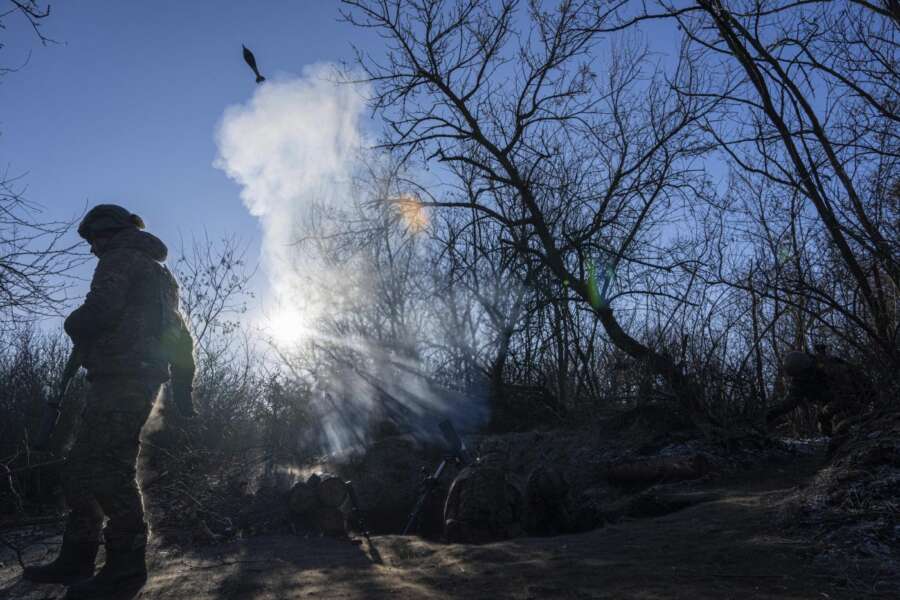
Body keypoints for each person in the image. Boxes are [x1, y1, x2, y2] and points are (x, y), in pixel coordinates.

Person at [23, 204, 196, 599]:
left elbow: (99, 311)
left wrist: (73, 324)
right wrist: (184, 391)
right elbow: (181, 336)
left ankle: (125, 571)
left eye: (93, 240)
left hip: (124, 379)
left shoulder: (119, 258)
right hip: (127, 379)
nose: (92, 250)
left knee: (108, 470)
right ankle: (77, 558)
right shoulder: (161, 274)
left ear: (108, 233)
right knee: (82, 467)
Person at [767, 345, 869, 452]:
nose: (800, 378)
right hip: (837, 400)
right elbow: (791, 402)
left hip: (859, 395)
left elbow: (848, 393)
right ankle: (838, 444)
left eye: (802, 374)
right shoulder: (800, 381)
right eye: (797, 376)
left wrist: (829, 410)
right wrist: (772, 412)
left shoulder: (829, 366)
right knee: (823, 423)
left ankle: (850, 444)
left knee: (838, 421)